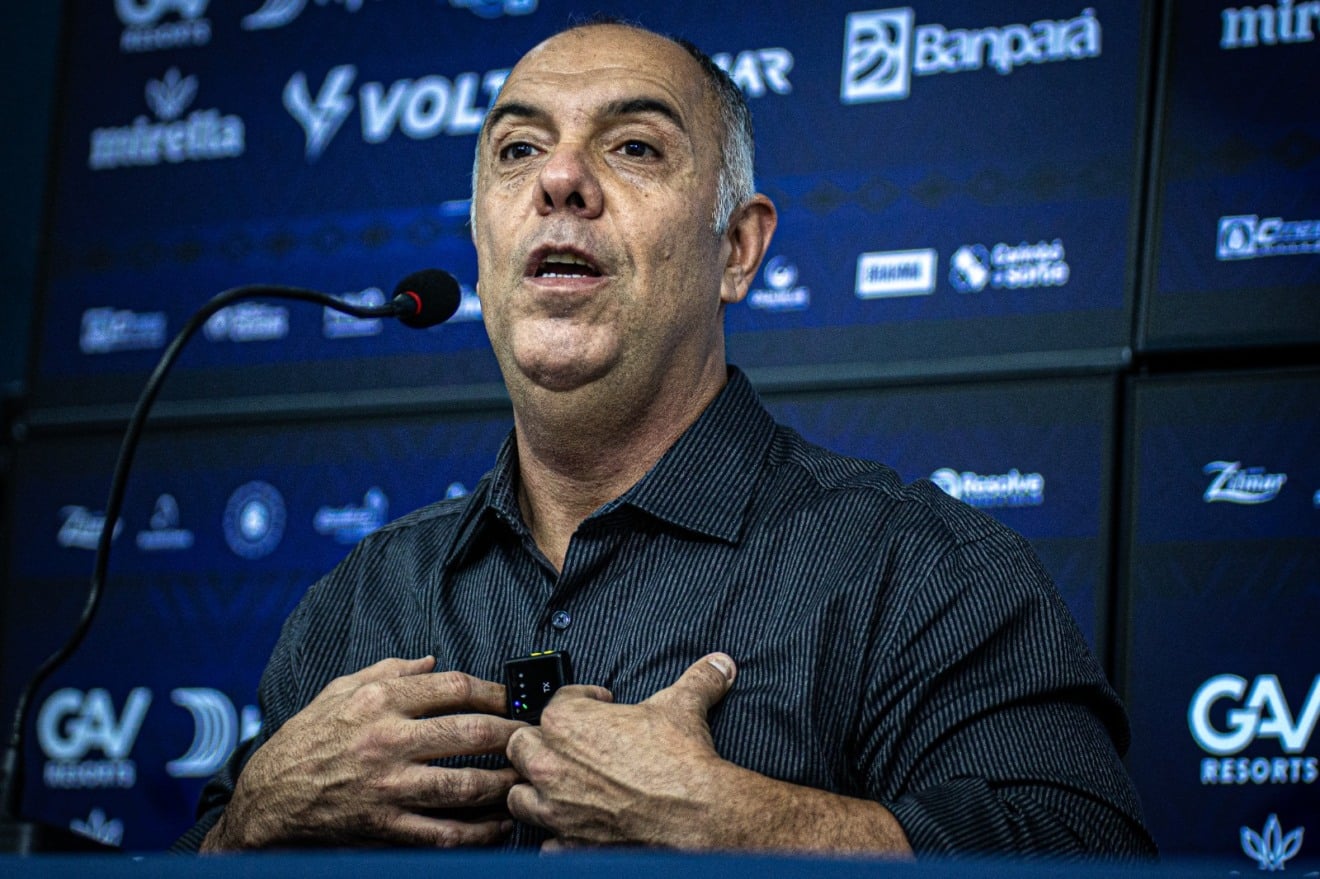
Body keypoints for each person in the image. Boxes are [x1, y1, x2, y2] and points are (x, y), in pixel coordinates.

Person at [175, 20, 1156, 857]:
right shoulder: (358, 603)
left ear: (738, 249)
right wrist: (257, 816)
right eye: (518, 151)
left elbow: (1086, 854)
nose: (560, 178)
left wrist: (728, 820)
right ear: (481, 242)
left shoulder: (918, 570)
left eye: (635, 147)